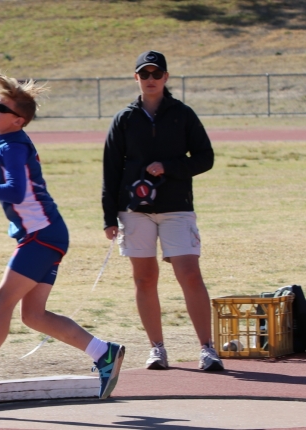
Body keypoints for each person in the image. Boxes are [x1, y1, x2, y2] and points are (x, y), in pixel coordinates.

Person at [0, 52, 125, 408]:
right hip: (49, 233)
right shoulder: (8, 128)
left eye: (0, 108)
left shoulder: (11, 146)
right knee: (33, 315)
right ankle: (104, 353)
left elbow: (16, 192)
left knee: (1, 300)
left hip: (41, 236)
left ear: (18, 121)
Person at [102, 50, 221, 371]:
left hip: (176, 208)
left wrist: (168, 167)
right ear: (136, 78)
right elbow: (111, 169)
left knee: (190, 275)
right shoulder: (124, 119)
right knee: (144, 280)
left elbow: (205, 157)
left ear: (166, 77)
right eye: (145, 74)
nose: (151, 79)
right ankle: (157, 348)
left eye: (157, 74)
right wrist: (108, 217)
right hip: (134, 211)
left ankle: (207, 349)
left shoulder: (183, 114)